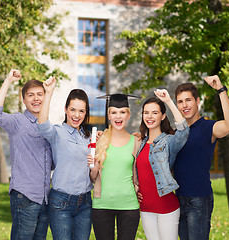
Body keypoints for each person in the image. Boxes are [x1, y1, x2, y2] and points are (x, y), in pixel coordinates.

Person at [0, 69, 52, 240]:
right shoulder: (17, 122)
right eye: (31, 95)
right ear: (24, 100)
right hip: (25, 197)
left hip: (45, 199)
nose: (36, 98)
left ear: (46, 97)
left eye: (40, 94)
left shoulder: (49, 128)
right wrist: (8, 80)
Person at [173, 75, 229, 240]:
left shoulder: (208, 127)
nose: (184, 105)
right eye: (180, 102)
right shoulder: (176, 133)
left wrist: (220, 90)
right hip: (177, 199)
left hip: (198, 200)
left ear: (197, 101)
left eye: (188, 100)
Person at [36, 76, 93, 240]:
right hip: (61, 203)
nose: (77, 115)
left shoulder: (88, 138)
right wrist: (48, 93)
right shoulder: (57, 133)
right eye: (73, 109)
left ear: (85, 113)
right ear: (66, 110)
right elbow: (41, 124)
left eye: (81, 111)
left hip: (85, 203)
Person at [135, 89, 189, 240]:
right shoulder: (140, 143)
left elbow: (183, 131)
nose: (149, 116)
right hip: (145, 207)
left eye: (154, 113)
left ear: (163, 116)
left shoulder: (168, 142)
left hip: (166, 207)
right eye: (146, 112)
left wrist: (168, 101)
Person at [88, 93, 141, 240]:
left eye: (122, 112)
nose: (118, 117)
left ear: (128, 115)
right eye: (114, 112)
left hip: (129, 206)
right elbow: (93, 178)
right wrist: (94, 166)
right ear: (109, 115)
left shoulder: (136, 142)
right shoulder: (99, 141)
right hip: (102, 205)